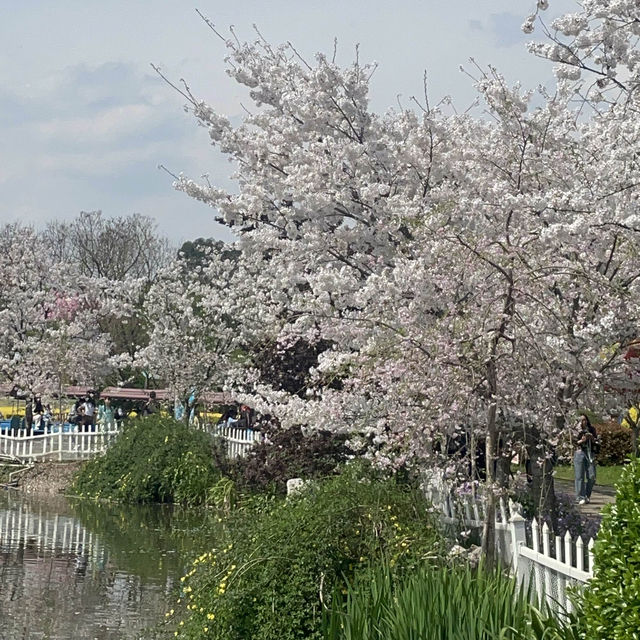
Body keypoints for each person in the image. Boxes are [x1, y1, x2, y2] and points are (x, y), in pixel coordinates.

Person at [573, 414, 599, 505]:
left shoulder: (591, 429)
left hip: (590, 453)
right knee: (579, 476)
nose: (584, 422)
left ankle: (587, 496)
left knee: (592, 476)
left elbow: (596, 441)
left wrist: (592, 438)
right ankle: (580, 497)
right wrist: (581, 441)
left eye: (585, 420)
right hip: (579, 452)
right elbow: (572, 442)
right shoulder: (575, 430)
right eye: (581, 420)